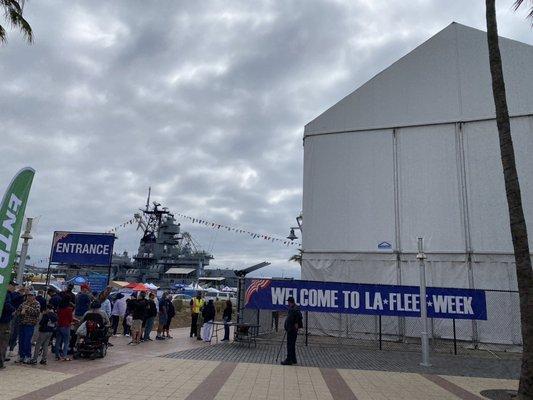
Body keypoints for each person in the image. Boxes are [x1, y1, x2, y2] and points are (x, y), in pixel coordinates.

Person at [15, 292, 41, 363]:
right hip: (22, 324)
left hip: (30, 325)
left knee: (27, 340)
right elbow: (17, 312)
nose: (29, 297)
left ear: (34, 296)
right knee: (21, 341)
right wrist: (20, 312)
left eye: (31, 296)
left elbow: (37, 312)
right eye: (28, 296)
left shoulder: (36, 303)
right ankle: (21, 355)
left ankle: (28, 356)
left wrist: (28, 308)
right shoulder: (23, 303)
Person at [281, 296, 303, 366]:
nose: (288, 303)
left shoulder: (294, 309)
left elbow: (298, 316)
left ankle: (289, 360)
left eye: (288, 302)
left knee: (290, 345)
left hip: (292, 330)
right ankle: (293, 359)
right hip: (291, 329)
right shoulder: (294, 308)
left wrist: (296, 323)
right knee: (292, 345)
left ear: (290, 302)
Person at [0, 291, 15, 369]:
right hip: (4, 322)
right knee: (3, 342)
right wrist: (13, 309)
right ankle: (0, 363)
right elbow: (7, 305)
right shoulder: (6, 293)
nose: (14, 288)